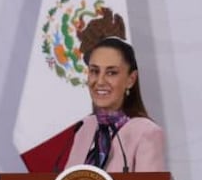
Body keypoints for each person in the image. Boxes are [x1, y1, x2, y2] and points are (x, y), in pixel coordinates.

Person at [63, 36, 165, 172]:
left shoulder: (147, 132)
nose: (99, 81)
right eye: (94, 71)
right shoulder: (85, 127)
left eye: (111, 73)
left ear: (131, 79)